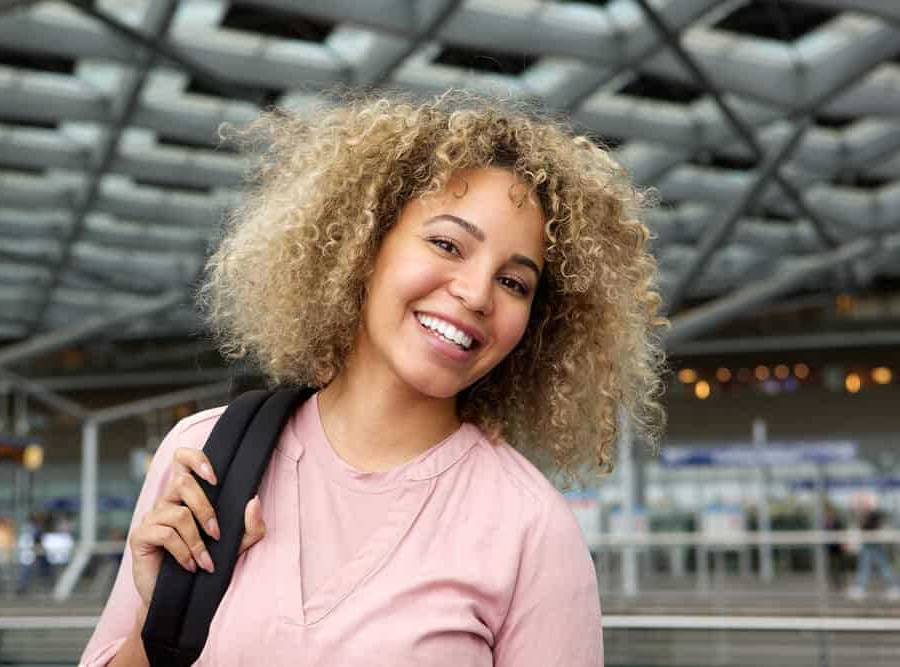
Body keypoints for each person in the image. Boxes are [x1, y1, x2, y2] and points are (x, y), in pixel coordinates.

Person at [81, 90, 666, 666]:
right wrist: (151, 628)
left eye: (515, 283)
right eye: (446, 244)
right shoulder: (202, 459)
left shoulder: (530, 530)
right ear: (361, 246)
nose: (476, 293)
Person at [848, 504, 900, 600]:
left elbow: (866, 527)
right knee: (869, 567)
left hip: (873, 545)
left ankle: (894, 587)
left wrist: (861, 521)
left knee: (879, 567)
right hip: (869, 545)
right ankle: (861, 588)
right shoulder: (870, 516)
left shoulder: (873, 516)